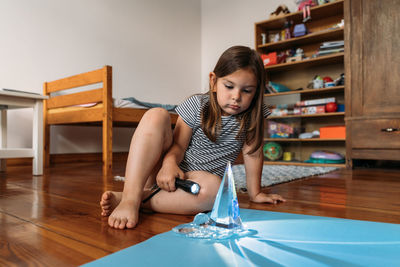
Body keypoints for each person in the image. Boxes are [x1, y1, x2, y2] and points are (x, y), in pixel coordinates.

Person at [100, 45, 286, 229]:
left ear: (256, 91)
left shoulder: (253, 114)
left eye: (247, 90)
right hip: (167, 174)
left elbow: (253, 154)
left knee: (218, 191)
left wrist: (256, 193)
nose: (236, 96)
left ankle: (140, 198)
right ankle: (130, 198)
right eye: (229, 86)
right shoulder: (196, 105)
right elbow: (178, 146)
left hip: (198, 186)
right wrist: (168, 164)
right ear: (213, 81)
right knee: (156, 114)